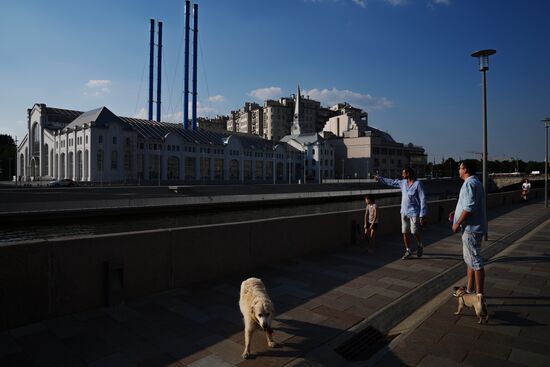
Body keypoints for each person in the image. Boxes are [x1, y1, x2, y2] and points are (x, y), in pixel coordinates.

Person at [451, 160, 486, 298]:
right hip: (475, 227)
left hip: (471, 228)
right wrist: (455, 214)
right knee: (470, 259)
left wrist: (456, 223)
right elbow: (468, 205)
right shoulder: (476, 182)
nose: (458, 170)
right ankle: (470, 289)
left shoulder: (469, 184)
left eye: (460, 168)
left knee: (476, 261)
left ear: (465, 169)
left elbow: (469, 208)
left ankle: (479, 296)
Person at [375, 167, 427, 259]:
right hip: (404, 212)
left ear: (408, 174)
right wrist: (380, 179)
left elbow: (423, 199)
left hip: (414, 212)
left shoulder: (418, 184)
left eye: (403, 173)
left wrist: (422, 215)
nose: (402, 175)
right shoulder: (403, 183)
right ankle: (408, 251)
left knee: (414, 231)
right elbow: (392, 182)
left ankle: (420, 244)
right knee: (405, 232)